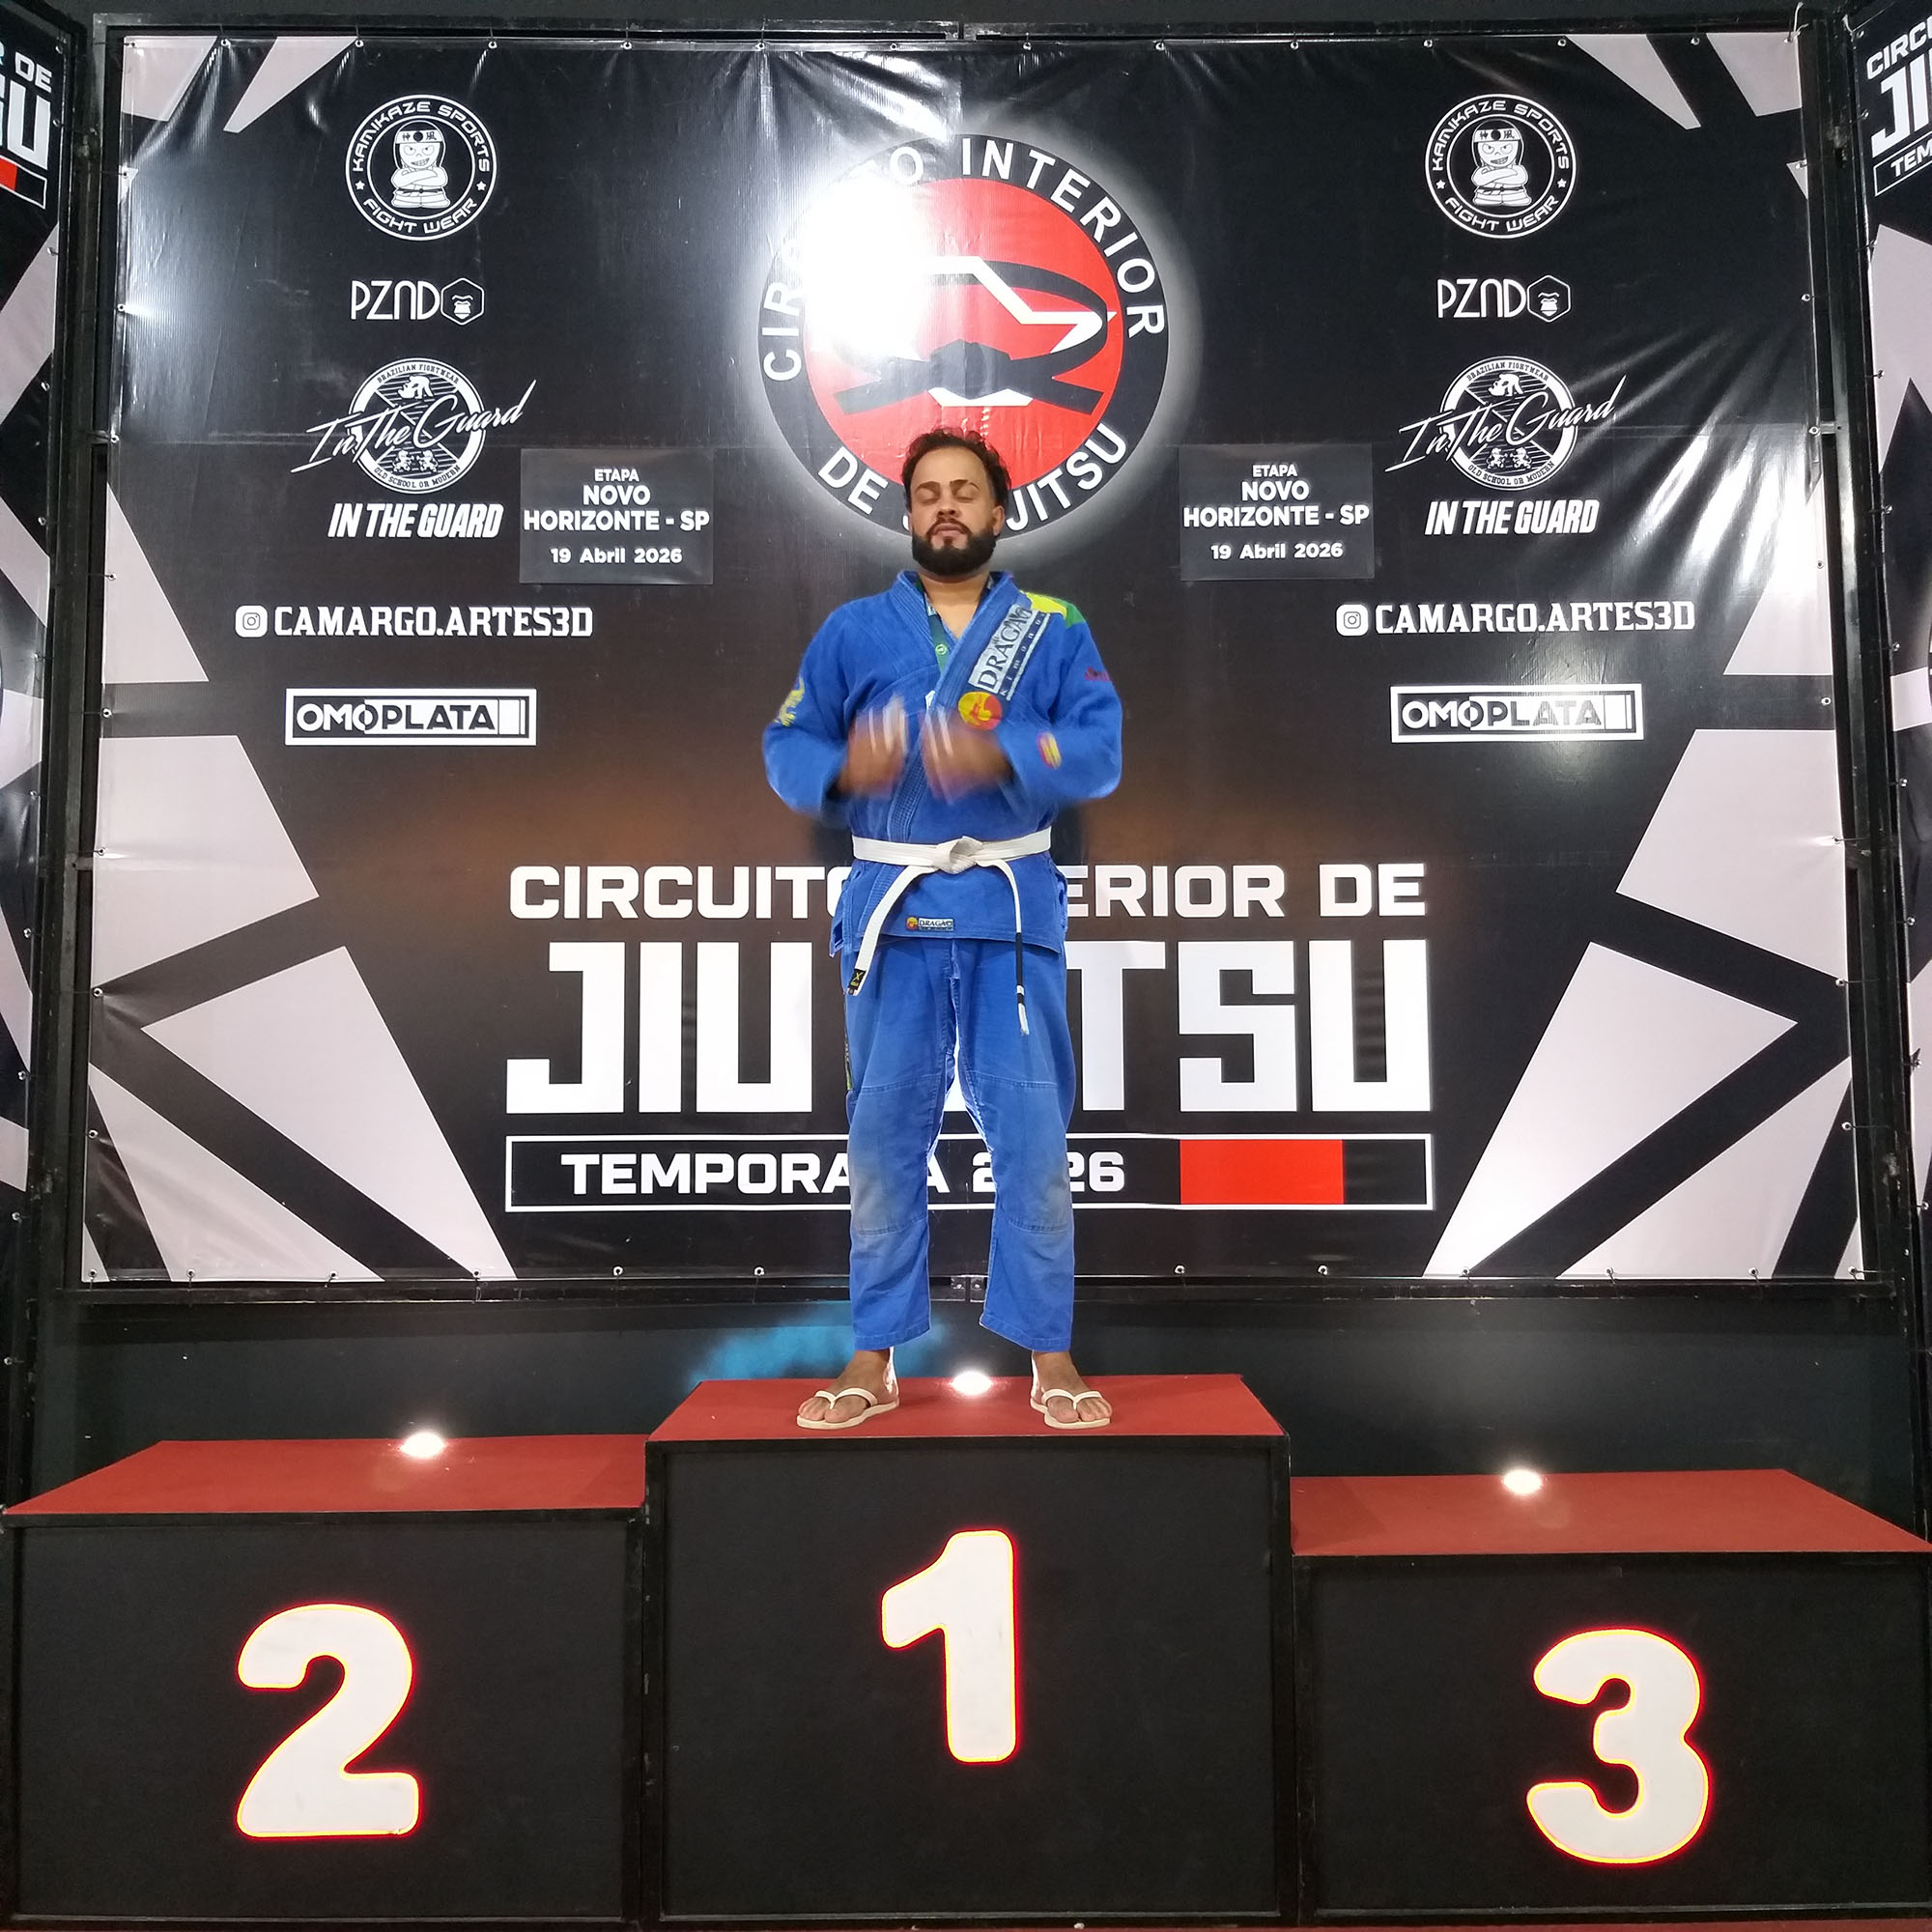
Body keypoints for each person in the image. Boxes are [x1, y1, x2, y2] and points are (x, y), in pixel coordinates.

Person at [763, 428, 1122, 1431]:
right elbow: (788, 742)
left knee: (1035, 1143)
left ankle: (1050, 1356)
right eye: (928, 493)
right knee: (882, 1144)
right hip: (892, 915)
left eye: (965, 490)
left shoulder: (1052, 627)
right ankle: (872, 1356)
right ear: (910, 513)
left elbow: (1098, 750)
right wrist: (845, 771)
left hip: (1008, 914)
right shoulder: (852, 630)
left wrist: (1003, 753)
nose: (947, 506)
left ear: (998, 510)